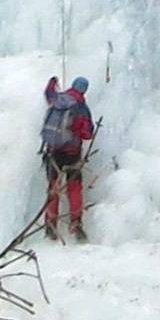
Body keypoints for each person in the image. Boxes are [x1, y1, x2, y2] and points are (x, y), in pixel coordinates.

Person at [40, 75, 95, 242]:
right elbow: (87, 134)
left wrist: (52, 83)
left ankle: (50, 225)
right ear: (84, 90)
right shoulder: (81, 107)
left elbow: (48, 94)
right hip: (71, 154)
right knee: (74, 188)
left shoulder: (58, 99)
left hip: (52, 151)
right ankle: (75, 224)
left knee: (53, 188)